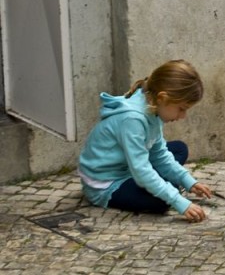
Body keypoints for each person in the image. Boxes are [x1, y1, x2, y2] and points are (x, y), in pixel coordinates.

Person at [77, 60, 213, 222]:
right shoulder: (133, 119)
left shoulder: (153, 109)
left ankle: (159, 183)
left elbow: (160, 155)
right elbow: (141, 171)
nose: (182, 116)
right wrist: (177, 200)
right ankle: (158, 186)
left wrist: (189, 182)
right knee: (162, 201)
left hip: (128, 167)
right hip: (107, 183)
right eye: (181, 109)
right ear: (163, 98)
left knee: (179, 149)